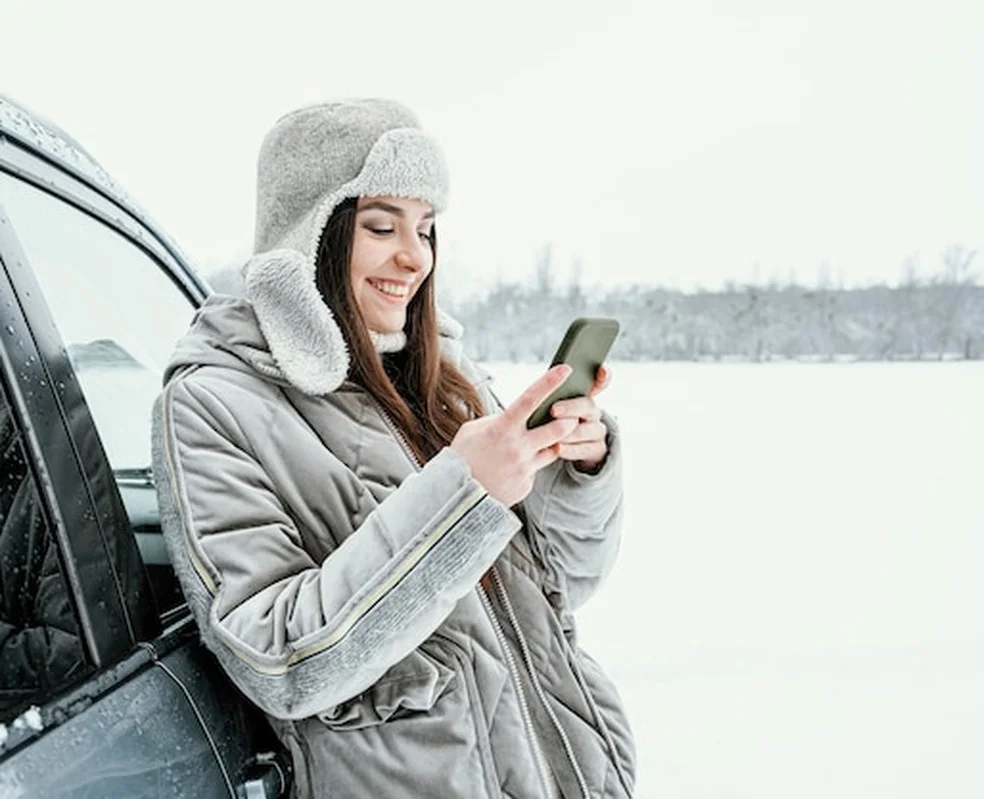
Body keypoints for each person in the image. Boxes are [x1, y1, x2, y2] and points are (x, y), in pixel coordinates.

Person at [151, 98, 634, 798]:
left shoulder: (443, 383)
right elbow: (280, 658)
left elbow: (569, 582)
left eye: (427, 227)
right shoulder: (216, 403)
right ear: (308, 233)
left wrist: (576, 474)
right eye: (382, 225)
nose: (416, 256)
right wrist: (465, 497)